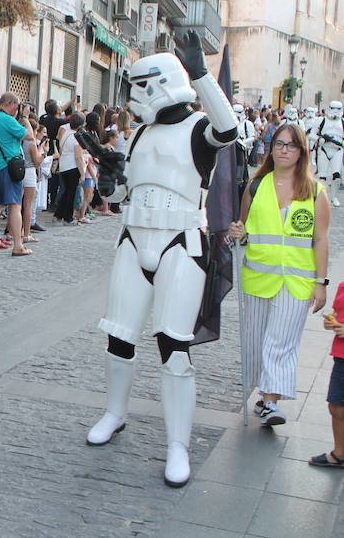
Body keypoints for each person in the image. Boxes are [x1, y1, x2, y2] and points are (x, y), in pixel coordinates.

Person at [88, 31, 239, 488]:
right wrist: (108, 175)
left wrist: (201, 75)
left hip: (180, 244)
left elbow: (227, 130)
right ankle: (115, 412)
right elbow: (120, 194)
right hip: (133, 241)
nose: (134, 97)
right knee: (119, 336)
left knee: (174, 347)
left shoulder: (197, 129)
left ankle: (178, 443)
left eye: (140, 86)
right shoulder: (139, 134)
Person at [228, 123, 330, 426]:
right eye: (279, 144)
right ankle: (264, 395)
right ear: (271, 149)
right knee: (257, 341)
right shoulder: (256, 186)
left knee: (280, 341)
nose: (284, 150)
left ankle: (272, 402)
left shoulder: (315, 192)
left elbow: (321, 239)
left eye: (291, 145)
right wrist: (237, 232)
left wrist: (321, 283)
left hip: (296, 281)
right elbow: (243, 229)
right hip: (258, 276)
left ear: (301, 151)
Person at [0, 93, 34, 256]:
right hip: (7, 167)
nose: (17, 110)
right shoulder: (7, 119)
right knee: (15, 205)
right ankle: (18, 245)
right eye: (17, 106)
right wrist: (25, 118)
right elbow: (29, 136)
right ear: (11, 104)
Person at [311, 282, 344, 468]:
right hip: (341, 355)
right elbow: (339, 313)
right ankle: (339, 454)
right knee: (336, 406)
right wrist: (331, 320)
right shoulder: (342, 286)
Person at [52, 114, 85, 225]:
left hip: (63, 165)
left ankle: (59, 214)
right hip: (72, 166)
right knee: (71, 193)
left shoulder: (66, 133)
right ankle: (68, 217)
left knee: (66, 192)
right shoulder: (77, 138)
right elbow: (78, 157)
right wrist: (82, 173)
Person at [315, 100, 343, 207]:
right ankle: (322, 197)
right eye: (333, 108)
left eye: (338, 109)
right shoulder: (321, 120)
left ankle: (333, 197)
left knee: (336, 176)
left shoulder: (342, 122)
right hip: (324, 149)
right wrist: (320, 139)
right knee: (322, 176)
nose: (335, 111)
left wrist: (340, 142)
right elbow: (312, 134)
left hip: (337, 150)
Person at [21, 121, 45, 241]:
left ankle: (11, 232)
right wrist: (43, 152)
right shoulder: (31, 143)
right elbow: (37, 161)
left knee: (15, 205)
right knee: (28, 204)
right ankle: (26, 233)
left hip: (18, 170)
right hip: (29, 171)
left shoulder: (17, 140)